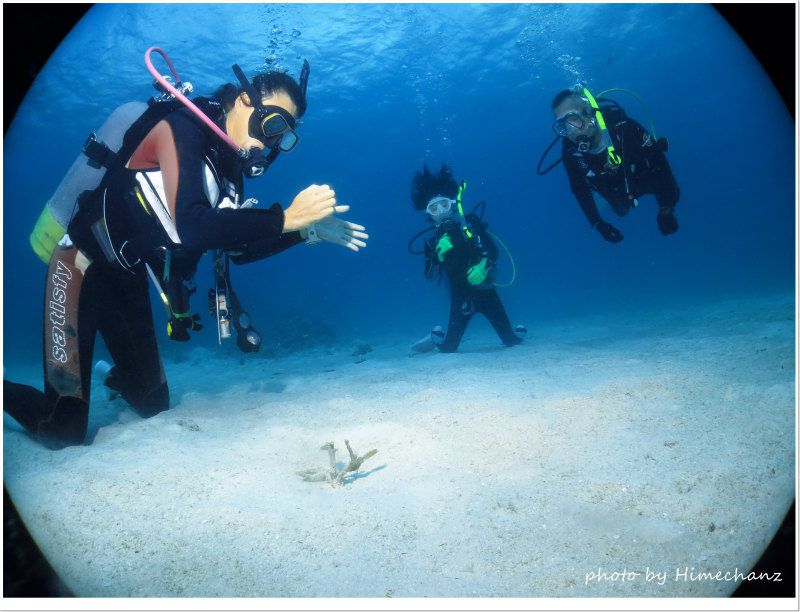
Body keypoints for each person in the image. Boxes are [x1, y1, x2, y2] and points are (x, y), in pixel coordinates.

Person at [4, 56, 368, 450]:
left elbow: (238, 249)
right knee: (63, 432)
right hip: (79, 266)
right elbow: (192, 225)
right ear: (245, 100)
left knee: (153, 403)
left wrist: (305, 231)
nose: (272, 142)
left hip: (126, 278)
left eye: (285, 137)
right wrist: (286, 218)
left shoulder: (228, 174)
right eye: (274, 124)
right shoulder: (182, 127)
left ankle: (108, 374)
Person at [409, 163, 526, 353]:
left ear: (453, 204)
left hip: (488, 292)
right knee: (448, 348)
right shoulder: (432, 242)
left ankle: (514, 334)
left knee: (510, 341)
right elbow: (430, 274)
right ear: (428, 213)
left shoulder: (470, 225)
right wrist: (437, 256)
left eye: (444, 204)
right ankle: (436, 338)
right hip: (461, 298)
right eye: (434, 208)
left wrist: (484, 265)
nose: (441, 212)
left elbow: (493, 251)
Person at [549, 85, 680, 243]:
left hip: (639, 176)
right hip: (612, 190)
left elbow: (658, 161)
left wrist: (666, 208)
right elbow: (579, 189)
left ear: (589, 112)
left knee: (671, 191)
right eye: (563, 125)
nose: (571, 130)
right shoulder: (571, 153)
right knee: (620, 210)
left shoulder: (624, 128)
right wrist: (597, 223)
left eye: (573, 118)